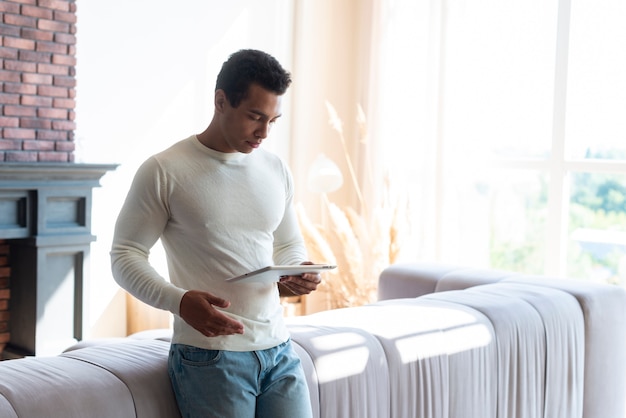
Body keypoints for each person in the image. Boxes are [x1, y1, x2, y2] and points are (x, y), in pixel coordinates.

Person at [110, 49, 320, 418]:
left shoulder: (275, 169)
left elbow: (287, 242)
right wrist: (178, 301)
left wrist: (293, 272)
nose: (264, 133)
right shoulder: (165, 170)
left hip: (280, 351)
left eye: (273, 120)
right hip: (210, 355)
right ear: (220, 101)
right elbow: (125, 254)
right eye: (255, 117)